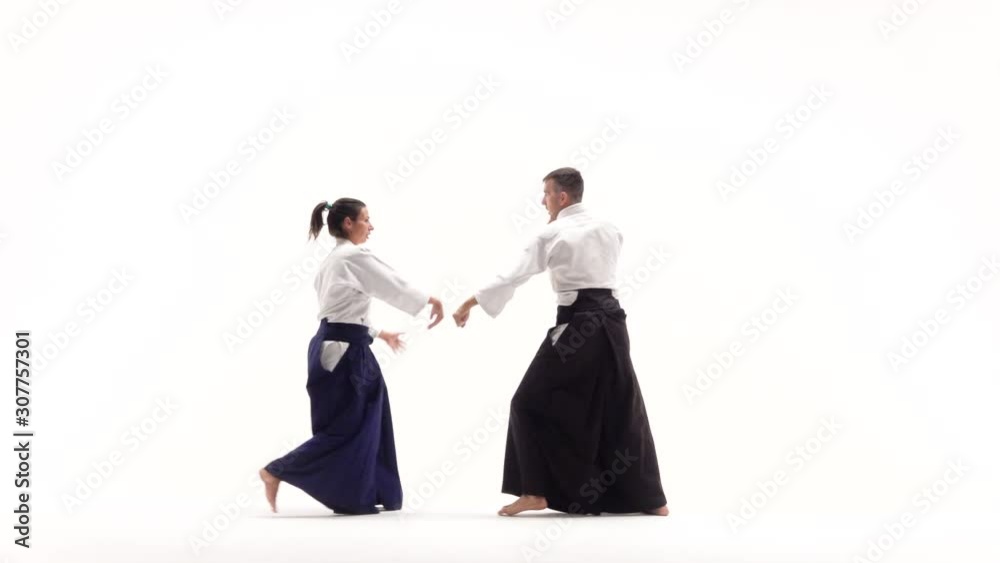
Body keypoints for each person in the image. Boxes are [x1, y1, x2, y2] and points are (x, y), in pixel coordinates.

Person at [452, 168, 668, 517]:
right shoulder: (610, 228)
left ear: (562, 197)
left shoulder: (552, 234)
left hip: (578, 324)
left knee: (526, 402)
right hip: (614, 323)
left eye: (547, 194)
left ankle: (534, 491)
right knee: (621, 405)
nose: (543, 201)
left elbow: (512, 276)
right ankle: (653, 501)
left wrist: (468, 303)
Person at [260, 198, 444, 515]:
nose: (371, 226)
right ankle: (276, 470)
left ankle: (369, 491)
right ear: (348, 223)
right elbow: (391, 282)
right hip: (343, 351)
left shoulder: (333, 261)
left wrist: (378, 333)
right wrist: (430, 300)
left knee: (371, 416)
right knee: (346, 426)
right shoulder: (352, 256)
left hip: (343, 345)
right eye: (366, 219)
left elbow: (340, 310)